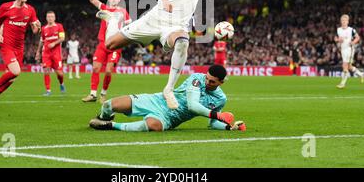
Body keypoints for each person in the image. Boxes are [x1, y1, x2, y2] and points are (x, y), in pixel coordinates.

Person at [96, 0, 225, 109]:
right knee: (110, 44)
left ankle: (168, 89)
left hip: (176, 27)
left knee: (182, 41)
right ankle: (112, 20)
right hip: (155, 19)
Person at [89, 65, 246, 132]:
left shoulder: (221, 99)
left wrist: (228, 127)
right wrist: (218, 115)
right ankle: (102, 117)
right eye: (207, 78)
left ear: (221, 82)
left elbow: (212, 123)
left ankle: (111, 125)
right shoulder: (197, 78)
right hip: (159, 100)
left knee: (154, 126)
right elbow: (192, 105)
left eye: (212, 81)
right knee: (111, 104)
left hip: (170, 117)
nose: (207, 82)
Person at [83, 0, 131, 103]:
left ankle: (103, 93)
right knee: (95, 68)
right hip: (103, 44)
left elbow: (129, 28)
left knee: (109, 71)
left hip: (115, 45)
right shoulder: (104, 8)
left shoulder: (123, 12)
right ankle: (93, 94)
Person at [35, 11, 65, 96]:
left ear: (54, 18)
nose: (50, 18)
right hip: (46, 53)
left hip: (56, 53)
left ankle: (61, 84)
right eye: (48, 17)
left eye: (52, 16)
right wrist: (38, 52)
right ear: (46, 18)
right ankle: (48, 90)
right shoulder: (44, 28)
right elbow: (41, 41)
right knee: (46, 71)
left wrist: (54, 43)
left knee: (59, 73)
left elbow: (62, 38)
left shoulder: (59, 26)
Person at [335, 14, 364, 89]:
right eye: (342, 20)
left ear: (347, 22)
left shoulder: (351, 30)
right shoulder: (338, 30)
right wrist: (338, 40)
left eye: (345, 20)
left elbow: (358, 37)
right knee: (349, 67)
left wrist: (353, 42)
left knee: (344, 66)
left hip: (349, 49)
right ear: (341, 21)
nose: (343, 22)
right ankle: (360, 74)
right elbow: (335, 38)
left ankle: (342, 83)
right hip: (342, 49)